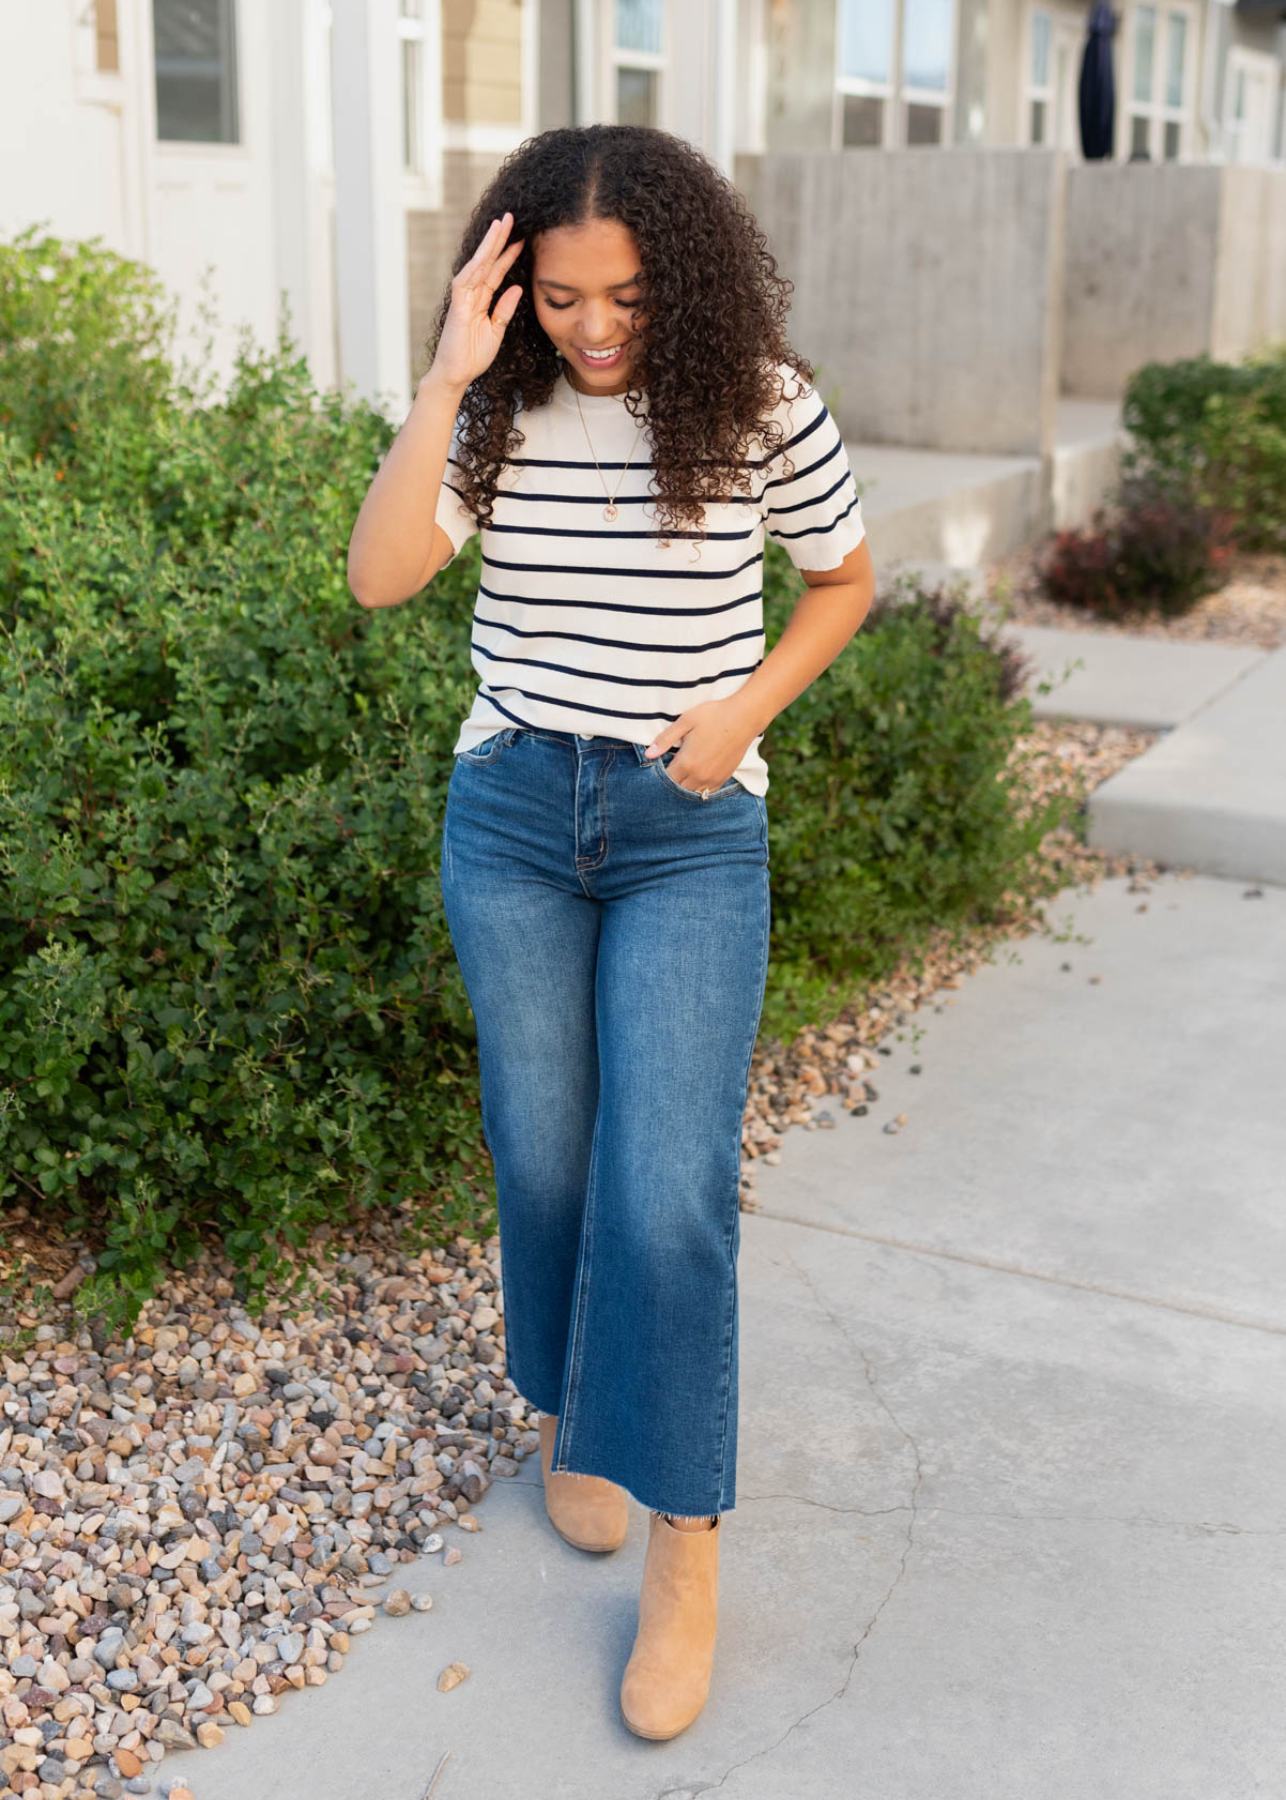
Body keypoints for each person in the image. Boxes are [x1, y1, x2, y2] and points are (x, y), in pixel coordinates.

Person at [347, 123, 875, 1741]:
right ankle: (576, 1413)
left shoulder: (757, 402)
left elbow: (846, 577)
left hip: (683, 831)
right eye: (562, 295)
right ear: (513, 281)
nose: (591, 327)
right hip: (510, 815)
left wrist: (741, 714)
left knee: (665, 1191)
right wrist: (447, 372)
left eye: (626, 297)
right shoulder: (496, 404)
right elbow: (380, 579)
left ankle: (684, 1548)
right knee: (548, 1152)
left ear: (686, 276)